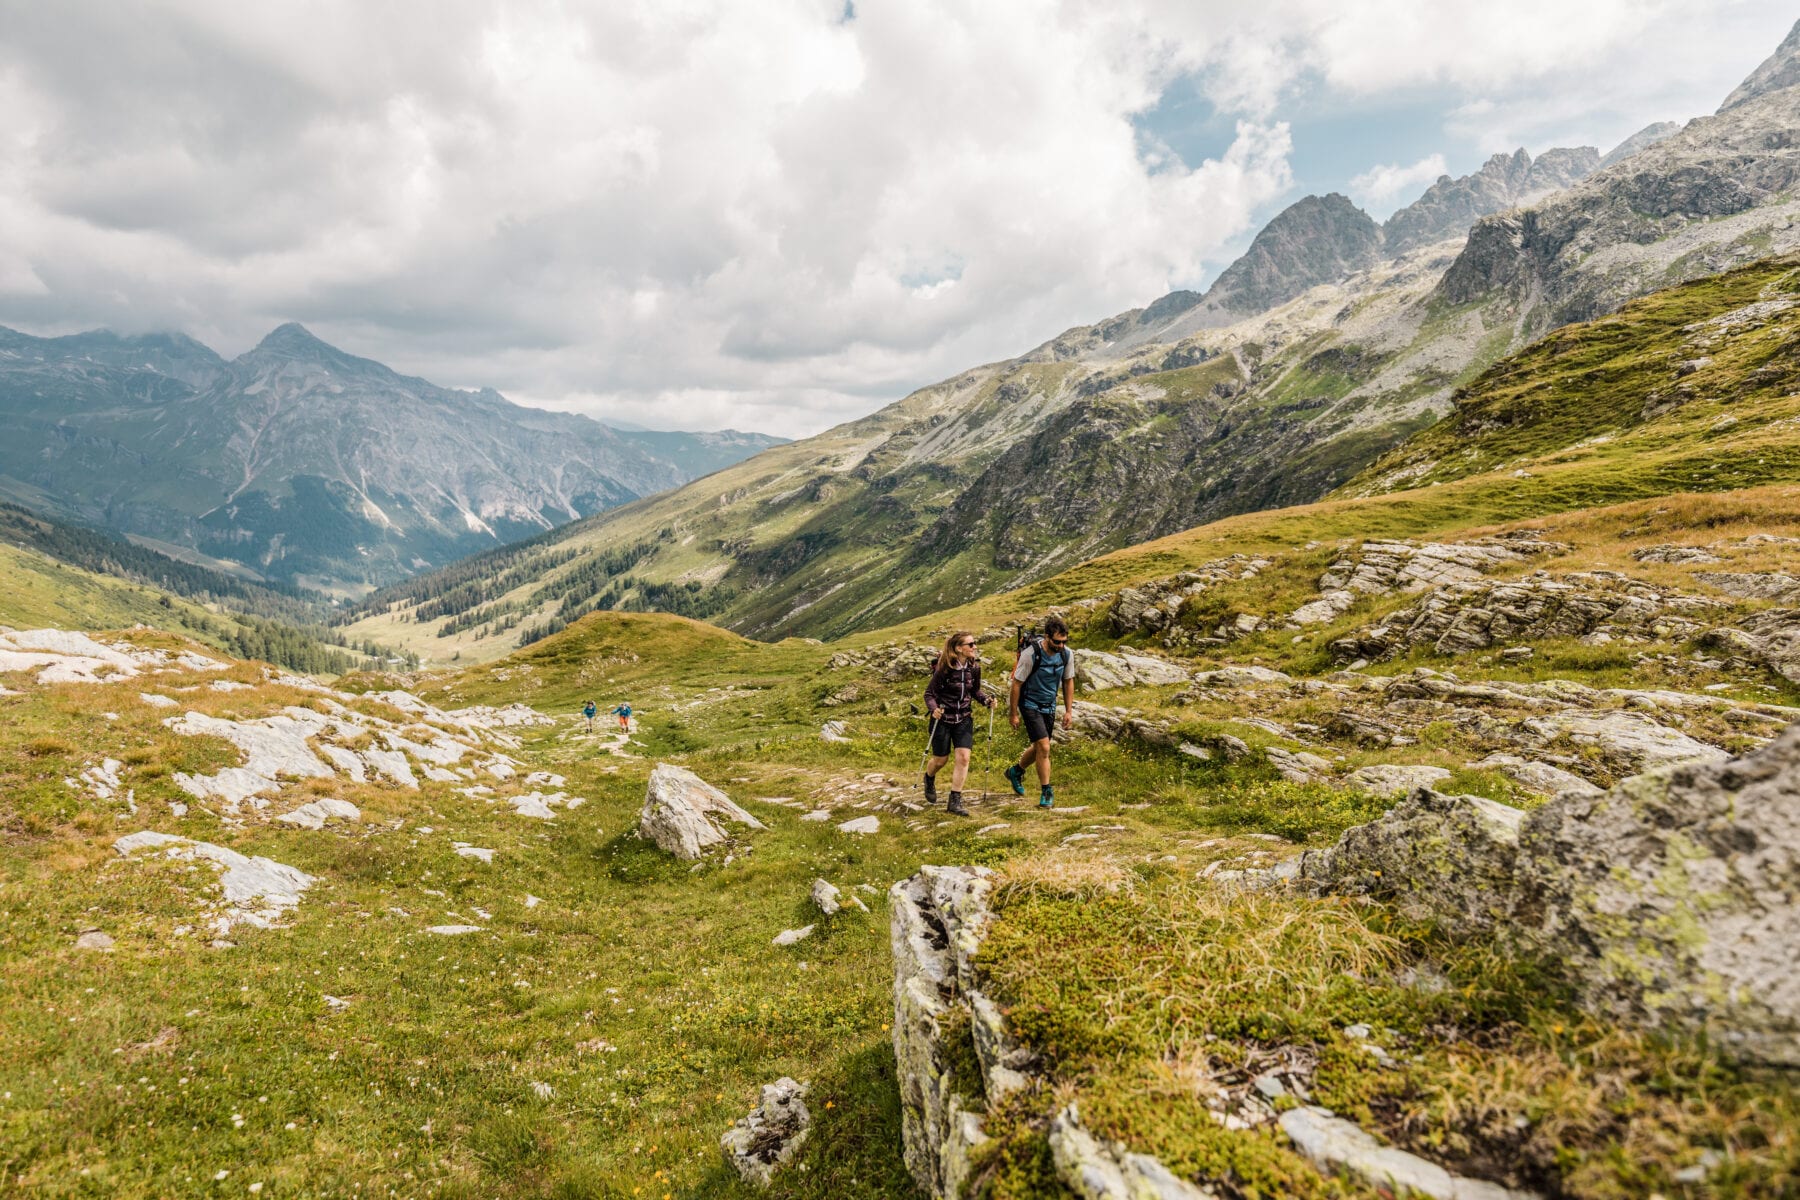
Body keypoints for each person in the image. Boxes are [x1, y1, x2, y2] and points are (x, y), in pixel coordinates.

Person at [922, 631, 994, 817]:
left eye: (974, 643)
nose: (974, 647)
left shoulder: (974, 668)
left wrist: (986, 700)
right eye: (971, 644)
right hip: (943, 719)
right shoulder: (944, 669)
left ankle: (955, 800)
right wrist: (934, 709)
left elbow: (975, 691)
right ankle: (929, 778)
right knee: (941, 760)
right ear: (958, 648)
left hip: (964, 717)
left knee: (963, 757)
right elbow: (929, 694)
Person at [1006, 615, 1075, 809]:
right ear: (1046, 637)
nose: (1061, 645)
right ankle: (1046, 791)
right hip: (1029, 703)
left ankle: (1016, 771)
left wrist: (1069, 711)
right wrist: (1014, 713)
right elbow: (1017, 684)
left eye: (1064, 641)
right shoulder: (1031, 654)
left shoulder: (1067, 654)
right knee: (1044, 747)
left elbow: (1068, 681)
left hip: (1049, 705)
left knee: (1039, 747)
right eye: (1056, 642)